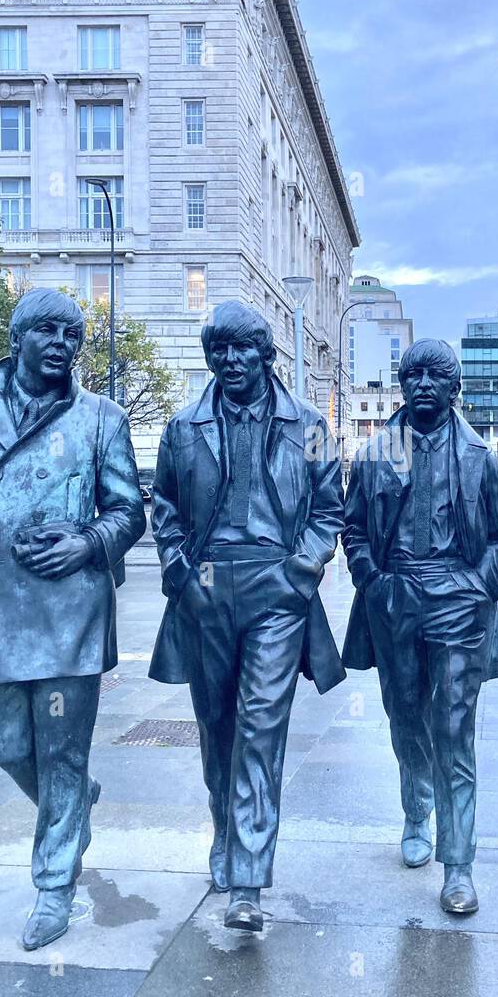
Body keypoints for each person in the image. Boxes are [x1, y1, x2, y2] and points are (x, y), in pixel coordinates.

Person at [0, 288, 146, 950]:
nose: (62, 344)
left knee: (63, 753)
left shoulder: (101, 418)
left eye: (72, 334)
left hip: (71, 607)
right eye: (47, 331)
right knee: (5, 745)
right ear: (16, 339)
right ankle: (72, 807)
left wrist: (88, 542)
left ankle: (53, 887)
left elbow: (128, 510)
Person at [149, 301, 345, 933]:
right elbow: (166, 506)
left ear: (267, 355)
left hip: (277, 590)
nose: (229, 361)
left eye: (241, 349)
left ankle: (247, 876)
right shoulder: (183, 427)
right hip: (206, 586)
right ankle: (224, 828)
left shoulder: (308, 424)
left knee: (261, 727)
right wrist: (180, 573)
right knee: (218, 726)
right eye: (219, 350)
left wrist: (302, 571)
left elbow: (328, 510)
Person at [342, 339, 498, 915]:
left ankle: (459, 863)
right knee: (405, 716)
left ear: (453, 387)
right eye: (412, 374)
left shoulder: (479, 457)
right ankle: (416, 811)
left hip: (458, 600)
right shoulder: (373, 455)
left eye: (434, 375)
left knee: (454, 729)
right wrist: (374, 581)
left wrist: (479, 585)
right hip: (396, 596)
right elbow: (355, 531)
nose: (422, 384)